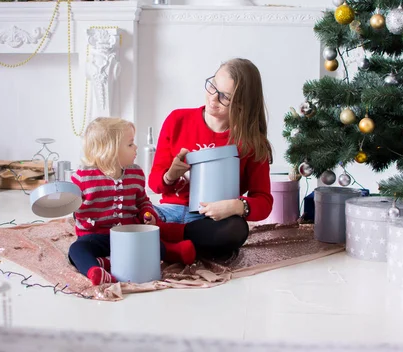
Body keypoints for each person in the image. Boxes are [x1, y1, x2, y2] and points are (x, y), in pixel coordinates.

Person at [148, 58, 274, 260]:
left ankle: (162, 240)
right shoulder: (177, 120)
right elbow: (154, 184)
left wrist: (236, 206)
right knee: (129, 215)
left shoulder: (251, 142)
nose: (213, 98)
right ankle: (178, 246)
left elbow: (264, 202)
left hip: (210, 220)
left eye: (225, 96)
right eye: (213, 86)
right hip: (168, 213)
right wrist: (170, 175)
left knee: (236, 230)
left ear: (242, 104)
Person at [69, 117, 195, 285]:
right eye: (130, 144)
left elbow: (143, 201)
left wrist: (147, 213)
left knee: (153, 244)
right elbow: (72, 206)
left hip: (130, 236)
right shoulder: (82, 178)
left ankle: (172, 251)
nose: (136, 147)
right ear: (110, 150)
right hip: (96, 237)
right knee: (76, 250)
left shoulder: (135, 174)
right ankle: (95, 270)